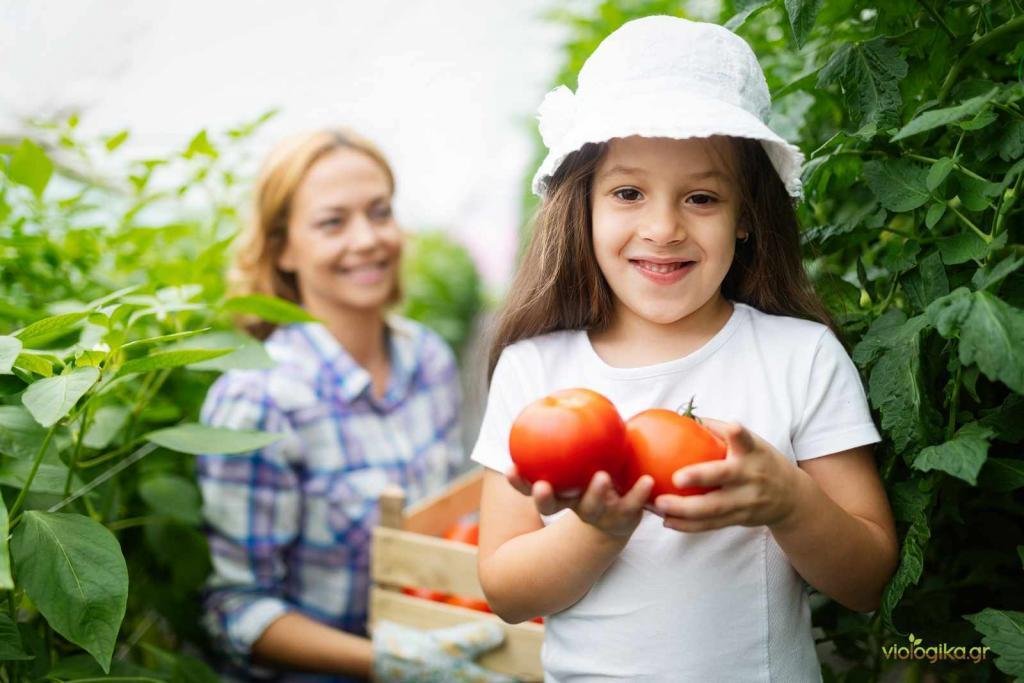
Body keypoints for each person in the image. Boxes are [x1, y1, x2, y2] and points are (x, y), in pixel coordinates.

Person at [472, 16, 899, 682]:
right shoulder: (536, 370)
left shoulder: (801, 357)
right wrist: (600, 529)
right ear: (583, 207)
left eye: (701, 197)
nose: (663, 227)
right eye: (628, 193)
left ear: (747, 217)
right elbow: (506, 590)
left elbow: (868, 581)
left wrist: (790, 502)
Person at [196, 129, 509, 682]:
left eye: (379, 212)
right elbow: (236, 609)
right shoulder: (259, 401)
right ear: (283, 248)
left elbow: (444, 531)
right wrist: (382, 662)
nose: (366, 239)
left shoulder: (428, 359)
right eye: (332, 222)